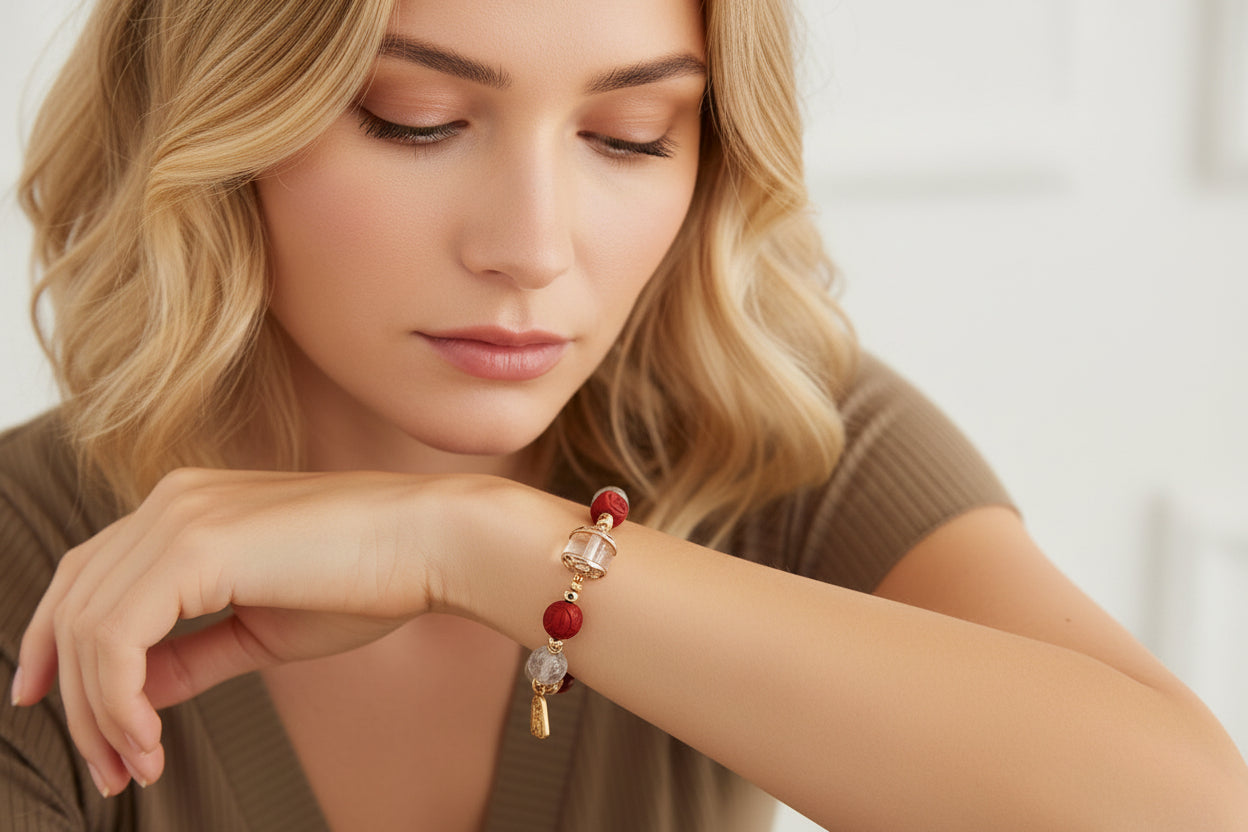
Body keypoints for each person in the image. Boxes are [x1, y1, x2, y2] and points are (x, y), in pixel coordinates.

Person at [2, 0, 1246, 829]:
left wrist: (473, 545)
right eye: (415, 120)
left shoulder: (774, 441)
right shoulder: (25, 559)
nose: (533, 247)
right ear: (221, 123)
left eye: (632, 135)